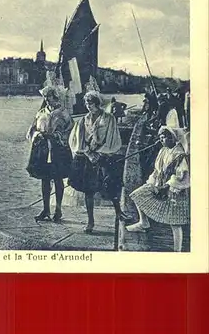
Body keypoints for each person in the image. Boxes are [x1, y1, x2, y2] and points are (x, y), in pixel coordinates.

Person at [68, 91, 128, 233]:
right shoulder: (84, 120)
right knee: (89, 190)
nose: (89, 106)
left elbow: (112, 138)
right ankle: (90, 221)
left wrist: (101, 153)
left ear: (97, 103)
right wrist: (88, 153)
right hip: (89, 158)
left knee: (110, 186)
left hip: (104, 155)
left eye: (91, 103)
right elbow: (78, 139)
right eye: (87, 103)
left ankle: (119, 212)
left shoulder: (109, 118)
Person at [126, 126, 190, 252]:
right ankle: (143, 222)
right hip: (159, 183)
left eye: (164, 137)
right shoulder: (163, 151)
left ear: (172, 138)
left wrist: (166, 187)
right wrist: (152, 184)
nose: (161, 140)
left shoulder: (179, 154)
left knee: (175, 222)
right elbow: (157, 170)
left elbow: (182, 176)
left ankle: (177, 250)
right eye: (160, 137)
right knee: (138, 194)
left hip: (175, 190)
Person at [26, 86, 74, 223]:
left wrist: (58, 136)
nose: (47, 100)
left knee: (58, 178)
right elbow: (32, 129)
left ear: (56, 97)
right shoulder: (41, 112)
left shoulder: (63, 113)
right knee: (45, 179)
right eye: (45, 97)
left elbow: (70, 130)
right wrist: (37, 135)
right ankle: (46, 209)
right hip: (43, 149)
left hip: (58, 149)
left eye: (49, 97)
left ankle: (58, 210)